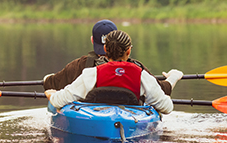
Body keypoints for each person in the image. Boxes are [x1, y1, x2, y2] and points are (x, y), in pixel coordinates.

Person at [45, 30, 182, 114]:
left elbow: (58, 101)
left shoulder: (91, 74)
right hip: (131, 122)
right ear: (129, 51)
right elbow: (168, 108)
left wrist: (51, 94)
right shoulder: (142, 75)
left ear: (105, 49)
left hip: (98, 121)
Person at [43, 19, 176, 96]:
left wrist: (46, 78)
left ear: (92, 40)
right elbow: (163, 90)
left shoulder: (80, 65)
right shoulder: (135, 68)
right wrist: (174, 76)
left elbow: (50, 84)